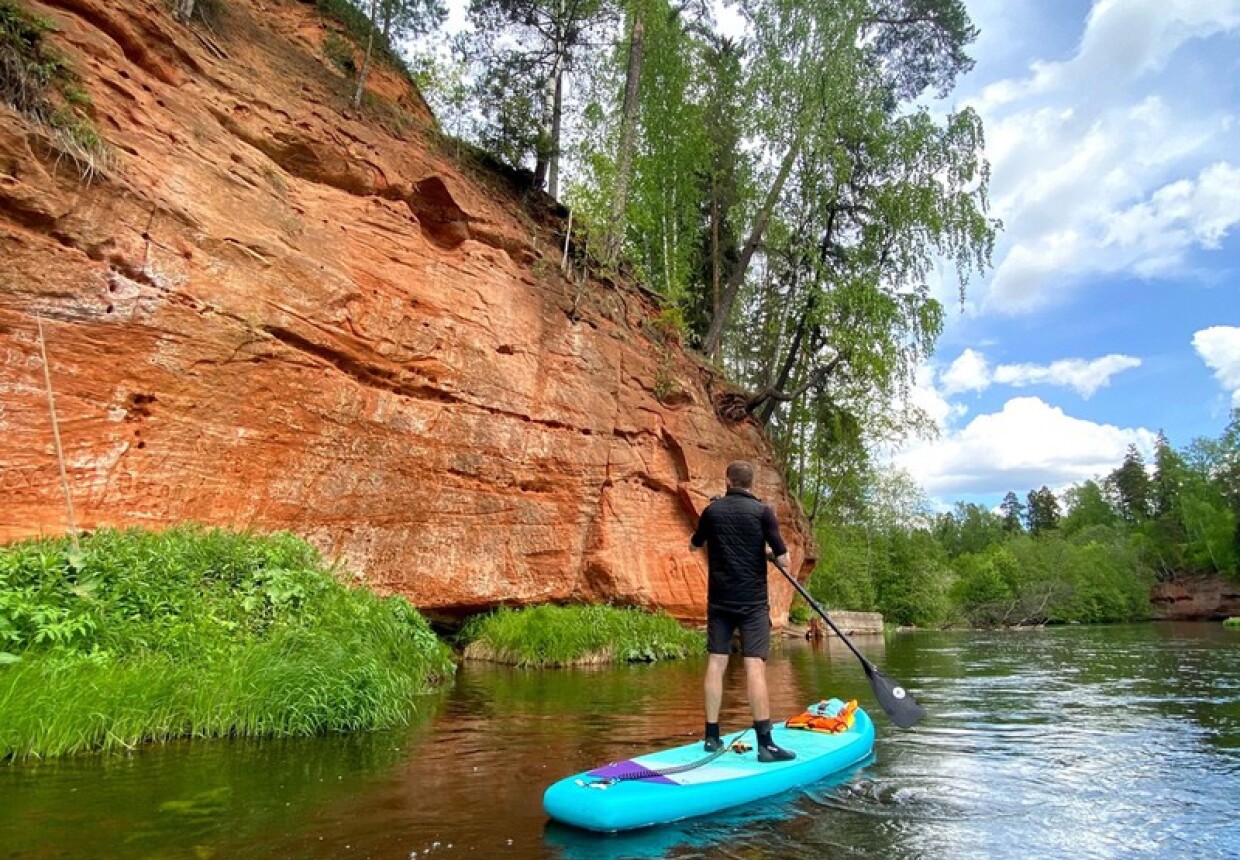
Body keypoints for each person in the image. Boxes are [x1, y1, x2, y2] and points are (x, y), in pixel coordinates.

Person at [689, 460, 796, 763]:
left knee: (716, 662)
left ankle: (711, 737)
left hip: (719, 601)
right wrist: (764, 552)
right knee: (754, 667)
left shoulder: (713, 511)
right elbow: (785, 560)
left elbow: (695, 546)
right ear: (751, 483)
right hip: (752, 604)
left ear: (728, 480)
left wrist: (712, 523)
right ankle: (765, 745)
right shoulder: (763, 512)